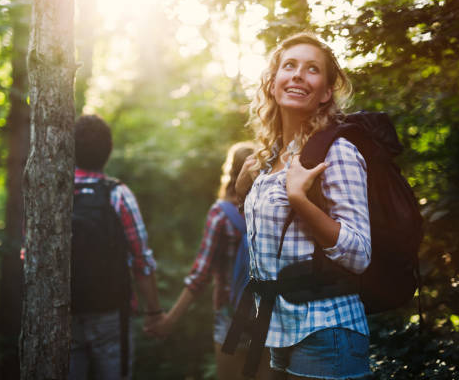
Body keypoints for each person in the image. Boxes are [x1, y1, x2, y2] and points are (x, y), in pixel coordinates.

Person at [234, 32, 373, 379]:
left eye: (312, 69)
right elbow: (271, 239)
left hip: (328, 330)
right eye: (289, 66)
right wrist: (242, 193)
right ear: (273, 82)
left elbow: (359, 254)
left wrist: (300, 199)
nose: (298, 74)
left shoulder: (336, 152)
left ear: (326, 92)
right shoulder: (267, 159)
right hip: (280, 330)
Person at [145, 141, 271, 380]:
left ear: (231, 171)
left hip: (231, 316)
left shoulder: (221, 214)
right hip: (270, 316)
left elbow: (200, 275)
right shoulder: (272, 208)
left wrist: (169, 320)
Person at [70, 114, 164, 380]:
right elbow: (141, 260)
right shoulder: (118, 194)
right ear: (108, 150)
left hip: (63, 313)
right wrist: (154, 312)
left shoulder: (53, 192)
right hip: (111, 314)